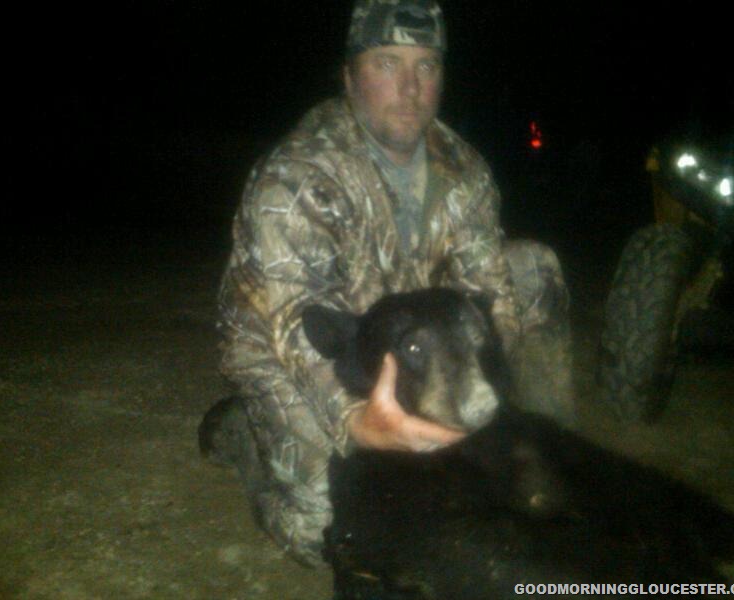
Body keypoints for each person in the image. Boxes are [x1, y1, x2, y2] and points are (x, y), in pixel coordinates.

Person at [217, 0, 574, 566]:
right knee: (336, 531)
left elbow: (488, 290)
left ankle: (549, 439)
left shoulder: (465, 169)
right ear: (349, 76)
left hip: (410, 340)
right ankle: (244, 435)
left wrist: (496, 413)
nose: (410, 87)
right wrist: (355, 420)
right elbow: (297, 320)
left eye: (426, 65)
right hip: (307, 351)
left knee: (533, 266)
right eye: (387, 63)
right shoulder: (298, 175)